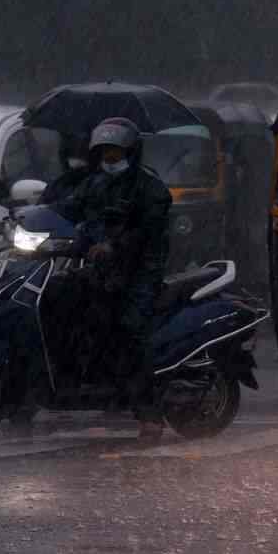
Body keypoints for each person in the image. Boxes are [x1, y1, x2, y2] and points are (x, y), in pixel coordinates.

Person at [64, 118, 173, 441]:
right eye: (104, 153)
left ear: (131, 152)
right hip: (102, 268)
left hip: (140, 272)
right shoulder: (94, 183)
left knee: (129, 331)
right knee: (64, 303)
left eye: (115, 152)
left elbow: (147, 230)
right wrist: (22, 210)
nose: (110, 159)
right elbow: (68, 208)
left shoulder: (150, 188)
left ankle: (148, 411)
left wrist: (114, 245)